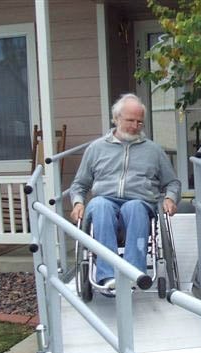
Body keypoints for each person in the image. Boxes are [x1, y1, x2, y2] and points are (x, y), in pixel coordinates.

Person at [69, 93, 181, 291]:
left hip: (140, 202)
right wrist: (78, 202)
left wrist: (170, 199)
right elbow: (79, 184)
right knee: (101, 206)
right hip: (104, 200)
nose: (135, 125)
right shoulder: (96, 149)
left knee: (135, 207)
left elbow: (172, 182)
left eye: (140, 122)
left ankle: (133, 274)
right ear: (116, 118)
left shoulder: (154, 151)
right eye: (130, 120)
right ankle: (107, 277)